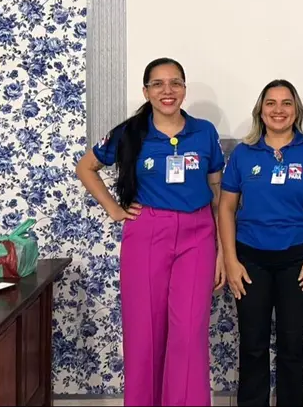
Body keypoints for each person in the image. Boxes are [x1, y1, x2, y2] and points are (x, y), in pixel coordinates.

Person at [75, 57, 225, 406]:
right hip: (147, 234)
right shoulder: (130, 132)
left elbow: (216, 191)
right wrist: (114, 208)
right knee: (145, 334)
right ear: (146, 91)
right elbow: (86, 167)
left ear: (184, 89)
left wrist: (220, 248)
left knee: (189, 334)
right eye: (158, 84)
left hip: (198, 234)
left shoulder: (204, 132)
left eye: (175, 83)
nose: (167, 91)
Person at [218, 79, 303, 407]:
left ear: (296, 110)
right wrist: (230, 259)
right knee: (252, 344)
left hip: (298, 259)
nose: (278, 110)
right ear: (260, 110)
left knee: (291, 344)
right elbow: (226, 207)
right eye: (271, 103)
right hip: (250, 259)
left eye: (286, 103)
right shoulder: (243, 153)